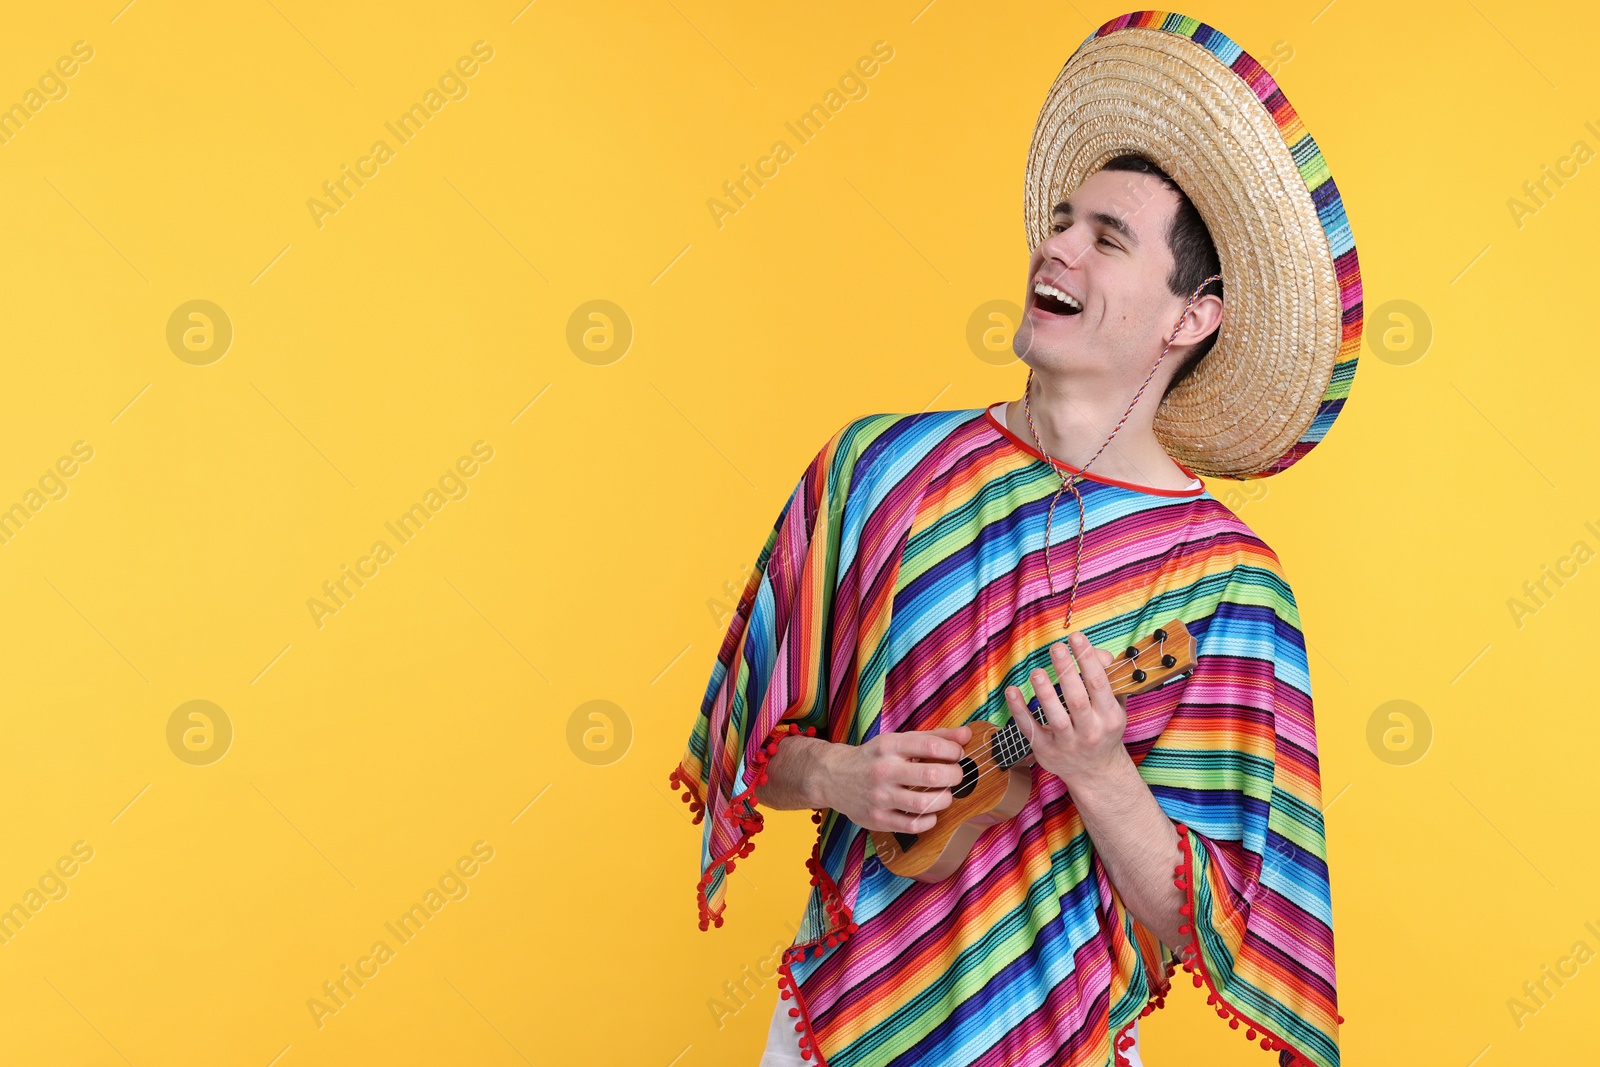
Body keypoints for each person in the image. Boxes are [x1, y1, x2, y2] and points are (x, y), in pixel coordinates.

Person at [670, 12, 1358, 1067]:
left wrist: (1098, 770)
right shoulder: (876, 471)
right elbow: (745, 752)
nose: (1057, 243)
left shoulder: (1225, 584)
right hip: (830, 1028)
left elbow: (1215, 928)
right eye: (1063, 218)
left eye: (1105, 238)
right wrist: (840, 775)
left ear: (1190, 319)